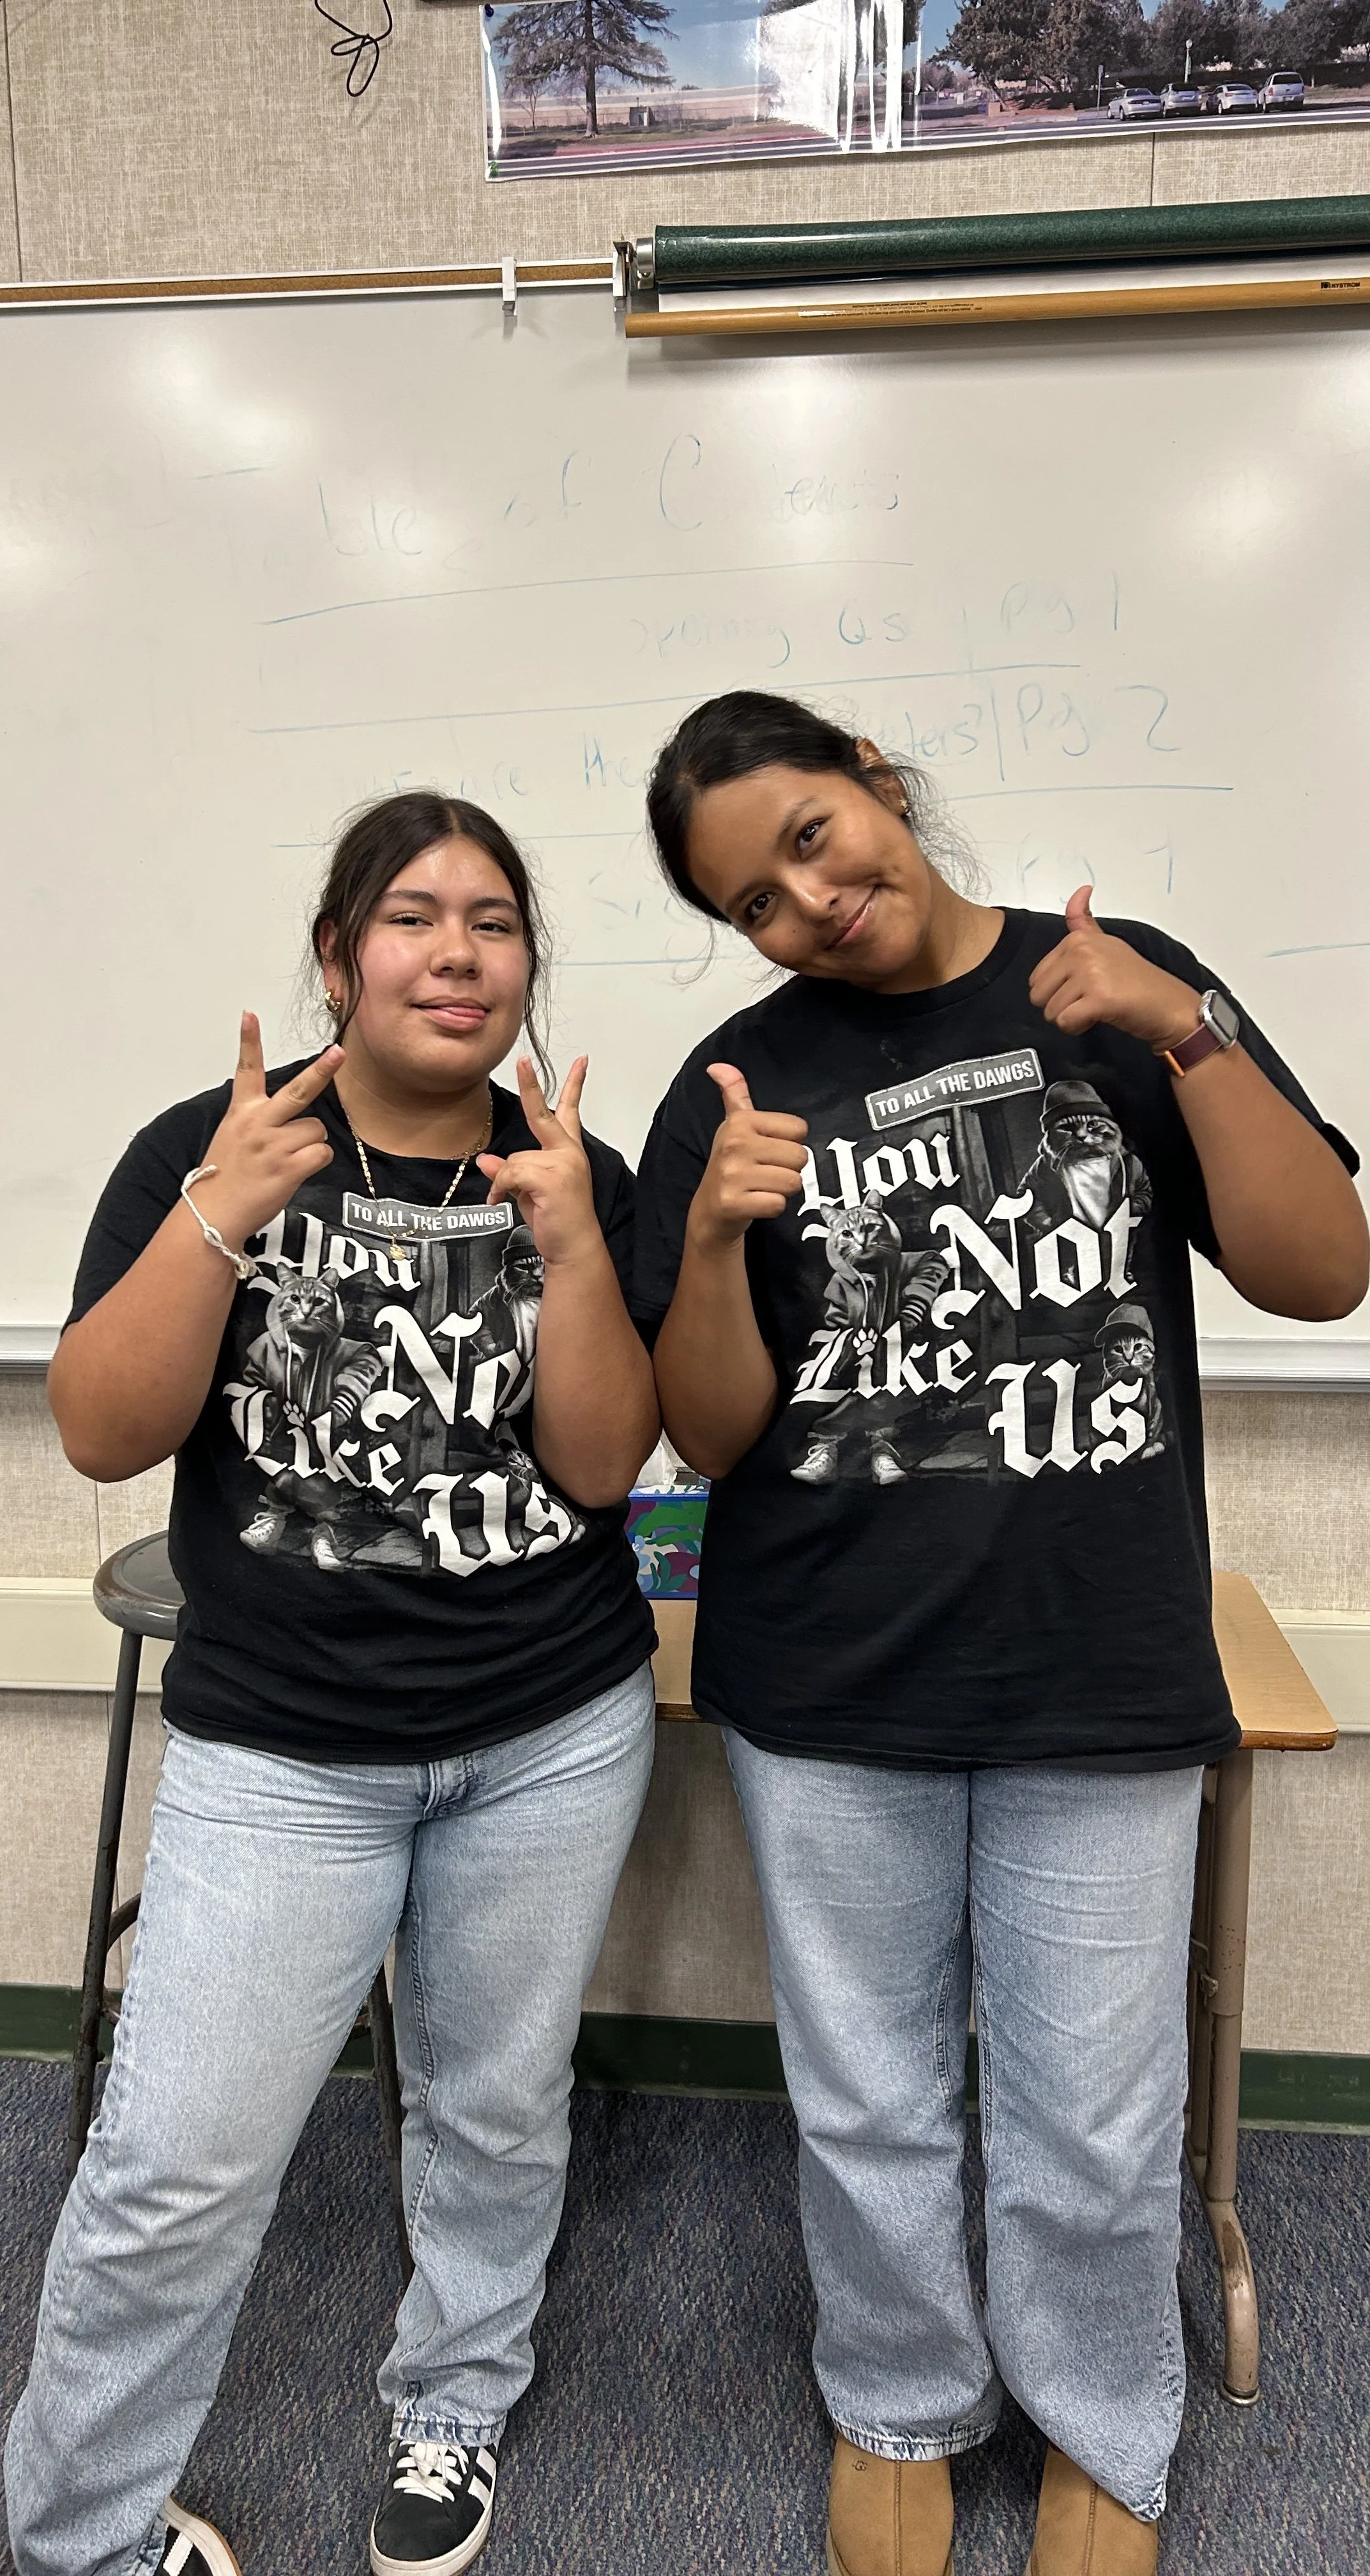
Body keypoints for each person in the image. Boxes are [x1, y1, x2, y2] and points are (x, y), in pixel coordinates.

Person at [632, 691, 1367, 2576]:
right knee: (866, 2093)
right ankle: (894, 2400)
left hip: (1094, 1666)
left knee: (1092, 2110)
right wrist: (713, 1241)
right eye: (755, 902)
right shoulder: (735, 1083)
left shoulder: (1117, 990)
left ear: (874, 782)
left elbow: (1318, 1266)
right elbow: (704, 1433)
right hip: (829, 1678)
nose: (808, 902)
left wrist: (1178, 1036)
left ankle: (1099, 2422)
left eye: (811, 836)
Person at [6, 792, 659, 2576]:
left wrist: (577, 1246)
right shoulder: (211, 1147)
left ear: (529, 965)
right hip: (283, 1750)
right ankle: (80, 2536)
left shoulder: (567, 1166)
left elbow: (606, 1471)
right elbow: (100, 1431)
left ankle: (452, 2409)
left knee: (494, 2104)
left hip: (546, 1730)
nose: (458, 955)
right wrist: (221, 1218)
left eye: (497, 923)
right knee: (179, 2166)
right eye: (413, 917)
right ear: (335, 955)